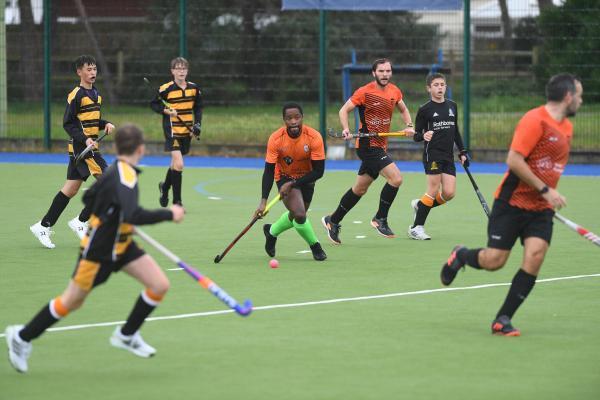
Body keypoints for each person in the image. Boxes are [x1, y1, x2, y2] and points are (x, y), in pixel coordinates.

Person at [6, 124, 185, 373]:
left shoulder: (115, 171)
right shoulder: (122, 175)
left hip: (122, 244)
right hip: (99, 250)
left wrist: (112, 213)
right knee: (71, 301)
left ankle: (127, 334)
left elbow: (89, 199)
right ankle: (22, 337)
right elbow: (132, 213)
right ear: (141, 149)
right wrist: (170, 214)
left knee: (159, 285)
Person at [440, 73, 583, 336]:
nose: (581, 101)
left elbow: (550, 167)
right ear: (568, 97)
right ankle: (461, 255)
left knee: (535, 257)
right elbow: (514, 160)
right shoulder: (535, 120)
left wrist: (546, 196)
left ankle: (502, 318)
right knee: (495, 261)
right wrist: (545, 189)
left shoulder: (568, 128)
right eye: (580, 96)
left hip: (540, 209)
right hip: (512, 202)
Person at [322, 58, 415, 244]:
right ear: (374, 73)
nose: (385, 74)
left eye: (388, 71)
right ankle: (380, 218)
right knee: (396, 178)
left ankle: (333, 220)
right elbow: (343, 110)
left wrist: (409, 125)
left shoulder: (395, 91)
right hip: (367, 145)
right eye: (381, 71)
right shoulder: (364, 92)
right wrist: (346, 129)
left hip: (380, 145)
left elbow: (403, 110)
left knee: (360, 188)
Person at [30, 55, 115, 248]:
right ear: (79, 72)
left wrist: (106, 123)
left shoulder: (96, 94)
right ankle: (81, 221)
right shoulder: (76, 95)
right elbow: (68, 123)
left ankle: (43, 226)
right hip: (82, 149)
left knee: (70, 189)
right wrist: (85, 139)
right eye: (88, 69)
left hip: (89, 147)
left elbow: (91, 121)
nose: (92, 72)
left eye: (94, 69)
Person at [258, 102, 327, 261]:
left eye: (297, 117)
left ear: (302, 118)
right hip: (284, 176)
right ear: (284, 120)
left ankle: (271, 231)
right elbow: (268, 171)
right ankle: (315, 246)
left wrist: (294, 184)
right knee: (300, 214)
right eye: (289, 118)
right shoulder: (276, 139)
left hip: (307, 178)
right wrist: (263, 201)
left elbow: (319, 171)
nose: (293, 121)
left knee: (296, 214)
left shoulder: (314, 137)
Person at [408, 73, 468, 240]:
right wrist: (423, 136)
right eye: (436, 85)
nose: (440, 87)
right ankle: (416, 228)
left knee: (449, 193)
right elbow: (416, 135)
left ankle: (420, 205)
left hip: (448, 156)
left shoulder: (452, 106)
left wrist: (462, 151)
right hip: (432, 154)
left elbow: (455, 130)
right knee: (433, 190)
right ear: (429, 88)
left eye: (442, 84)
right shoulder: (425, 109)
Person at [151, 57, 203, 207]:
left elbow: (198, 108)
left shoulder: (194, 88)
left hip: (187, 131)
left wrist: (197, 125)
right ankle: (177, 202)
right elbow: (153, 104)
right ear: (172, 71)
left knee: (175, 165)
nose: (181, 71)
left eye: (184, 68)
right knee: (179, 164)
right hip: (171, 131)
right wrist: (166, 111)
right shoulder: (165, 89)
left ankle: (165, 187)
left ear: (187, 71)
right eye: (178, 68)